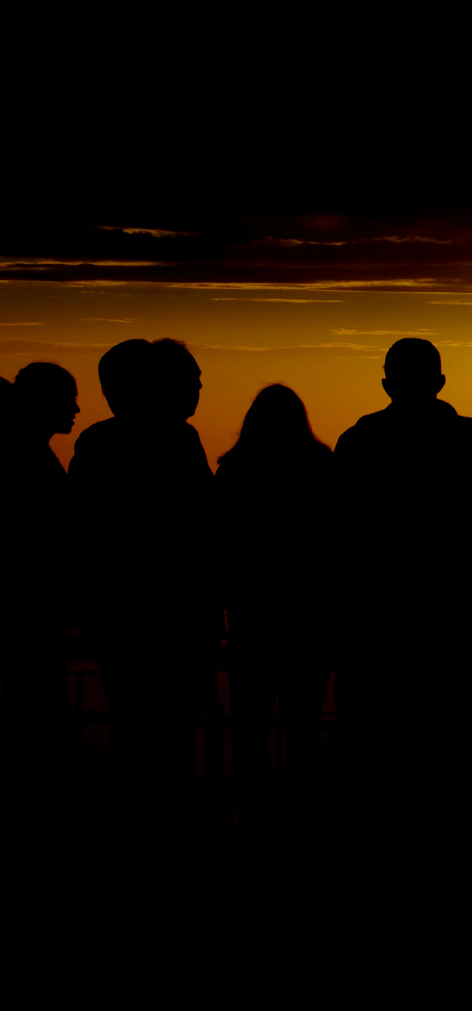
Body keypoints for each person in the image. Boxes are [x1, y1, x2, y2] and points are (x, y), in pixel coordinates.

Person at [333, 338, 472, 840]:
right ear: (441, 383)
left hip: (375, 621)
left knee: (376, 748)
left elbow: (340, 530)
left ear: (386, 384)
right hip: (455, 621)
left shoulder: (359, 442)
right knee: (452, 747)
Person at [68, 339, 219, 834]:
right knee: (171, 735)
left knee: (133, 730)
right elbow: (200, 529)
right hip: (174, 618)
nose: (198, 391)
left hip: (121, 617)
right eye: (193, 382)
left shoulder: (98, 442)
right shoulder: (180, 442)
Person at [215, 384, 336, 833]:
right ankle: (300, 814)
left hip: (253, 615)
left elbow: (219, 545)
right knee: (303, 723)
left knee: (250, 724)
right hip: (311, 617)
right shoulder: (324, 468)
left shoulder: (235, 472)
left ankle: (256, 812)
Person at [0, 363, 81, 816]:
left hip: (35, 610)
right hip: (35, 612)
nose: (76, 408)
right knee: (43, 716)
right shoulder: (31, 462)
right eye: (67, 398)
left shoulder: (26, 456)